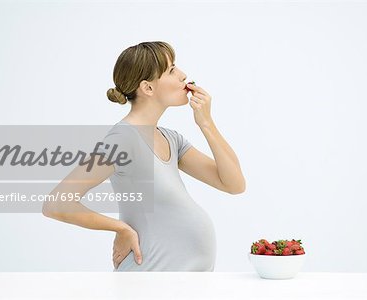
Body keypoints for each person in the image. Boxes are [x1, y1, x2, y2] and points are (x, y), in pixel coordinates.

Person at [42, 41, 246, 271]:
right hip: (149, 275)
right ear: (148, 88)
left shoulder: (171, 139)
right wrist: (121, 228)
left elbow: (234, 184)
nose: (183, 75)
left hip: (182, 280)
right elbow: (56, 203)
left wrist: (206, 123)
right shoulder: (124, 140)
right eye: (171, 70)